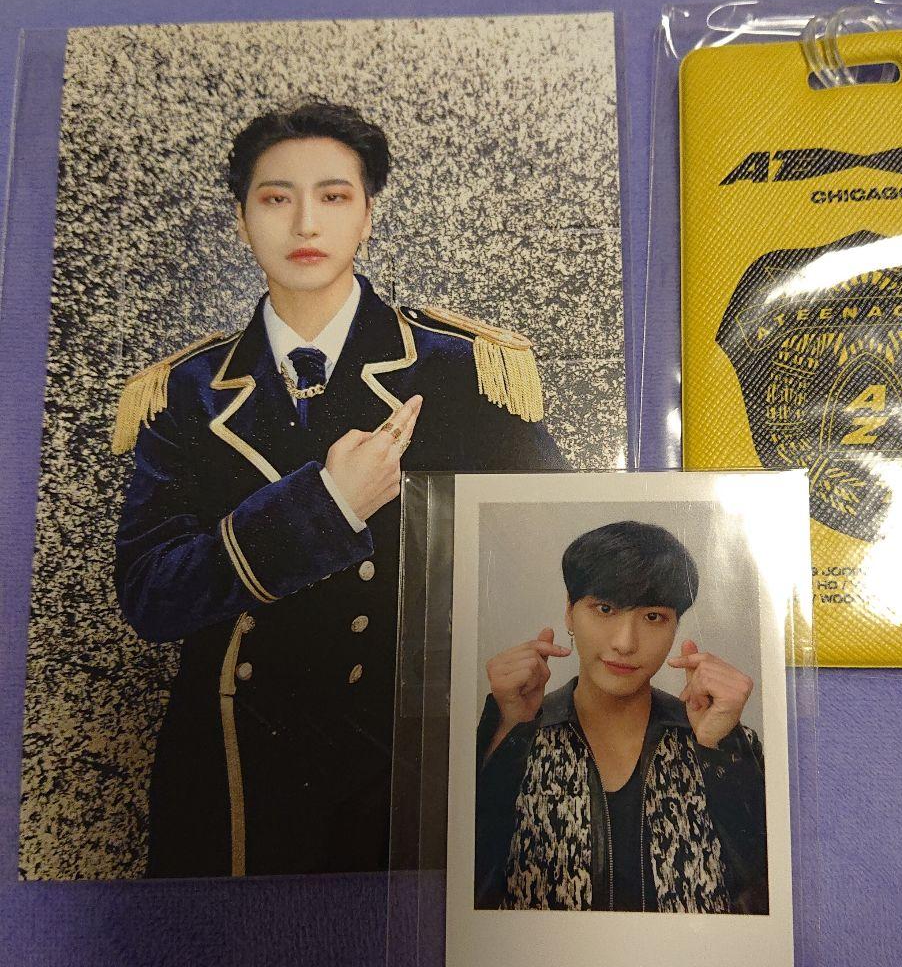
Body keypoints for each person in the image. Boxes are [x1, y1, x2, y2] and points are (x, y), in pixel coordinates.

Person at [113, 99, 567, 878]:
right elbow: (150, 596)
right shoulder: (185, 390)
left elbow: (556, 546)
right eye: (275, 198)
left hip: (406, 752)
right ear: (241, 221)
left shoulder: (462, 369)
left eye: (333, 196)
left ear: (367, 216)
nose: (304, 224)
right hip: (235, 769)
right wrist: (324, 507)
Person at [475, 521, 767, 912]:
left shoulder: (728, 742)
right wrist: (511, 728)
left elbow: (765, 891)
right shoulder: (510, 732)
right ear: (569, 612)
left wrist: (719, 747)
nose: (625, 643)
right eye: (605, 609)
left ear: (676, 626)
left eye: (653, 617)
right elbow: (465, 887)